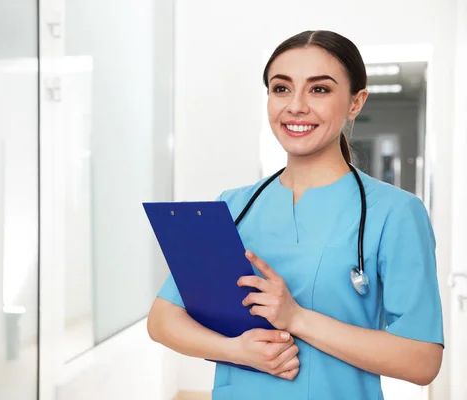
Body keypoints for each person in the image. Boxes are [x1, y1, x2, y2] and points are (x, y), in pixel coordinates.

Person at [147, 30, 444, 400]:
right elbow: (162, 320)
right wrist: (238, 351)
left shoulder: (396, 213)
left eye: (319, 89)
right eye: (281, 88)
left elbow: (422, 361)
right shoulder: (234, 206)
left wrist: (297, 318)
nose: (296, 106)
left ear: (356, 102)